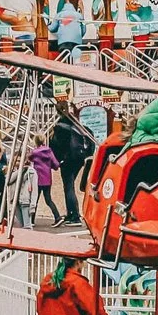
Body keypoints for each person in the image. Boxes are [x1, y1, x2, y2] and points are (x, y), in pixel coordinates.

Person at [49, 92, 93, 225]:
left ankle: (74, 215)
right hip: (79, 158)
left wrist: (58, 161)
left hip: (67, 160)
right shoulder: (76, 123)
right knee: (70, 185)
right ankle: (72, 212)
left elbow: (58, 146)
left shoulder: (60, 127)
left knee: (68, 187)